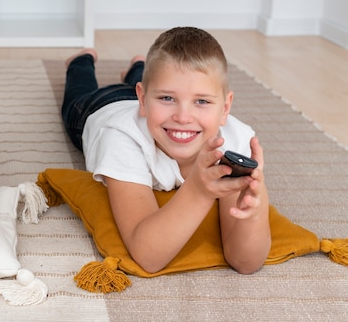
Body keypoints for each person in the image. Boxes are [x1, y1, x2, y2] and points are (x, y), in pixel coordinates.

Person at [61, 27, 271, 274]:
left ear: (225, 108)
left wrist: (255, 214)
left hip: (148, 102)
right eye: (168, 99)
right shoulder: (121, 138)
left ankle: (139, 68)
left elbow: (245, 263)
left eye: (201, 101)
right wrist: (198, 191)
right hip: (100, 107)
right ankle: (80, 61)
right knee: (78, 91)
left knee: (158, 78)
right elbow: (147, 256)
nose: (183, 117)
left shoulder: (235, 140)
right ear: (143, 100)